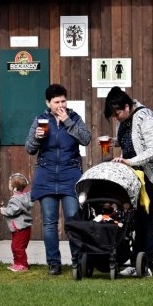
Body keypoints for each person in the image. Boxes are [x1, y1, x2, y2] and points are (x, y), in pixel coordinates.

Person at [103, 86, 153, 277]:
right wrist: (113, 142)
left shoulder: (145, 117)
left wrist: (129, 161)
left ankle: (146, 265)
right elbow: (130, 140)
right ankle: (135, 262)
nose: (116, 117)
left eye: (117, 113)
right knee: (137, 219)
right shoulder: (125, 120)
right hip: (137, 175)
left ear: (127, 106)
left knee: (148, 219)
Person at [24, 83, 92, 276]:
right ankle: (54, 263)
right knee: (49, 223)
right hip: (46, 175)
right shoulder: (40, 120)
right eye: (56, 102)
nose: (61, 105)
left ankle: (77, 261)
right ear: (48, 103)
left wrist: (68, 122)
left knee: (72, 220)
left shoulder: (74, 118)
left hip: (70, 174)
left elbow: (86, 139)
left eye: (63, 100)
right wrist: (37, 138)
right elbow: (29, 148)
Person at [0, 173, 33, 272]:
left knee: (18, 247)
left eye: (9, 183)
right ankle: (17, 263)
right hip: (22, 227)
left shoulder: (15, 199)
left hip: (20, 228)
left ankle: (22, 265)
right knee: (15, 246)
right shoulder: (25, 196)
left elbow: (13, 211)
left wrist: (3, 210)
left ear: (14, 187)